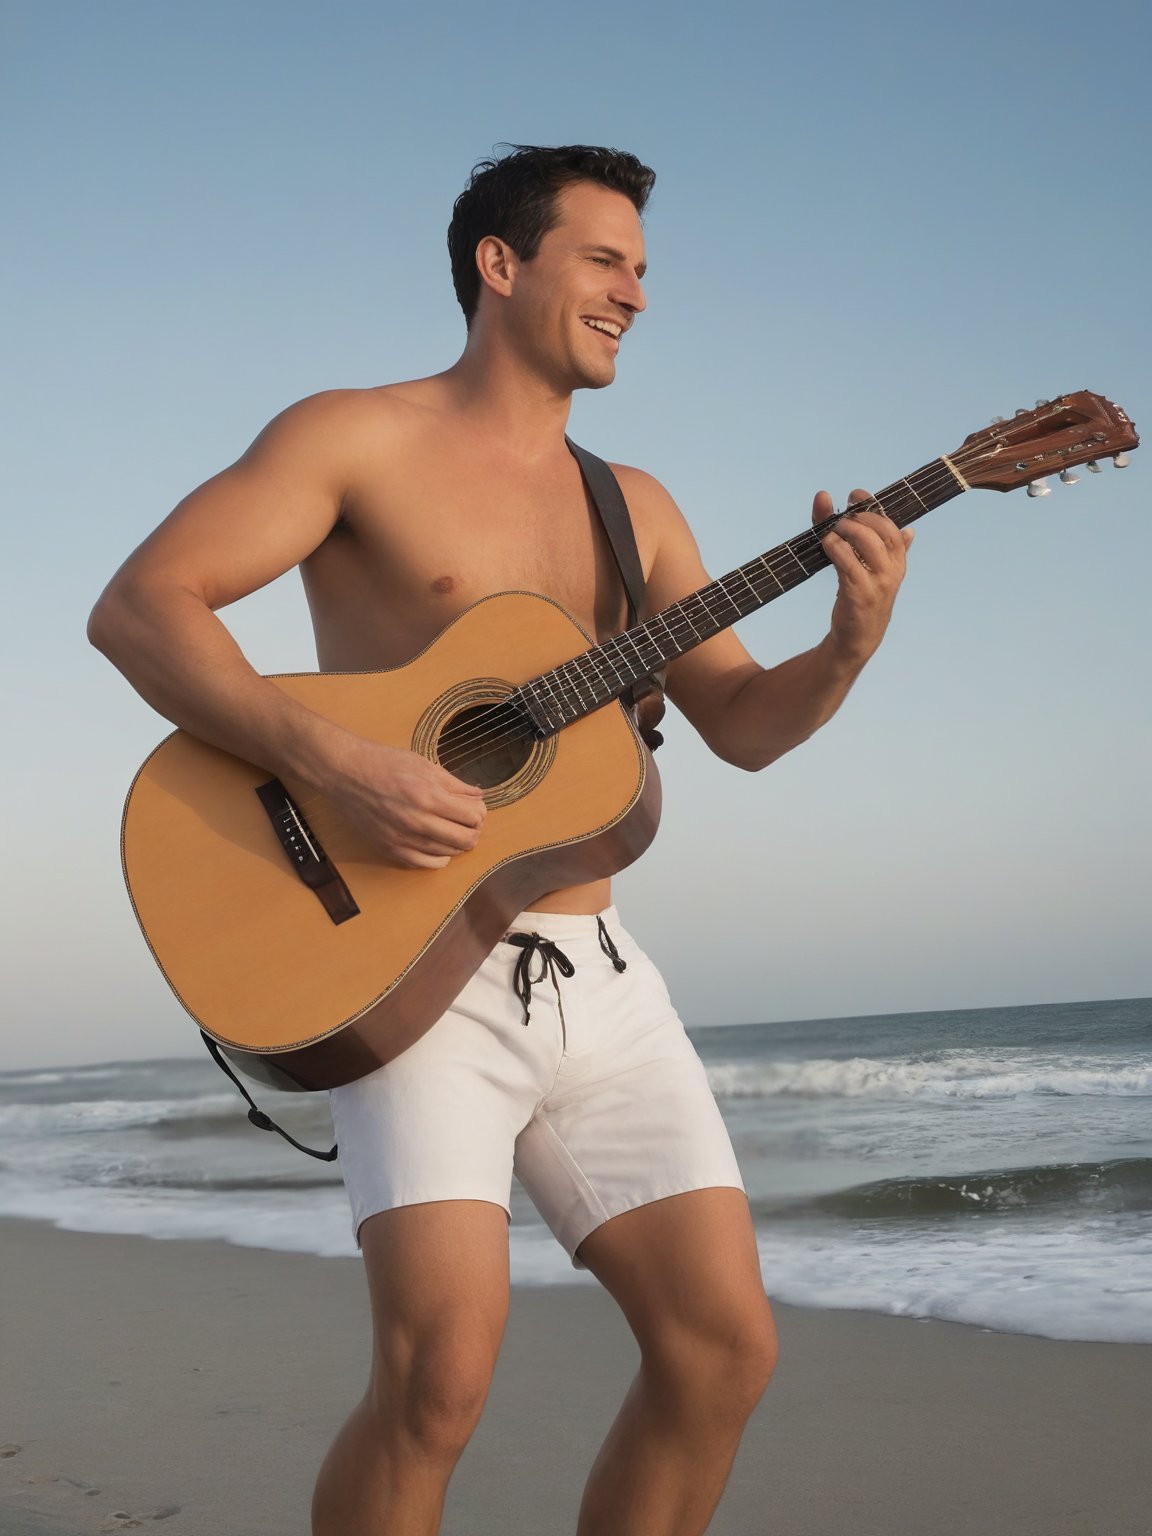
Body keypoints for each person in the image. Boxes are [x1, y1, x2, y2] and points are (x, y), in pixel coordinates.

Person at [88, 144, 912, 1536]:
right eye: (606, 260)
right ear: (501, 263)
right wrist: (335, 763)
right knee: (437, 1380)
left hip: (595, 966)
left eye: (645, 270)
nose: (636, 294)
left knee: (723, 1351)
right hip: (407, 967)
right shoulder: (352, 437)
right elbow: (142, 607)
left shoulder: (634, 508)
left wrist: (849, 640)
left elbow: (745, 727)